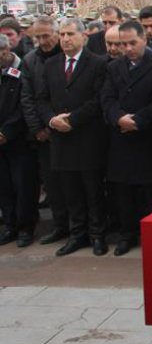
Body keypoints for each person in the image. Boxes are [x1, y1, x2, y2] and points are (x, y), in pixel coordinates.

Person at [36, 18, 109, 256]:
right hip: (61, 140)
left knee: (93, 191)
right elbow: (42, 98)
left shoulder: (98, 63)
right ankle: (77, 234)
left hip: (87, 138)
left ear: (83, 37)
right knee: (71, 191)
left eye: (70, 34)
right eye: (63, 34)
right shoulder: (51, 64)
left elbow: (98, 100)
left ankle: (97, 235)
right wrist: (51, 119)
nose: (65, 39)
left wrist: (73, 119)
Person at [100, 21, 152, 256]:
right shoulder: (113, 67)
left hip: (147, 138)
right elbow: (107, 98)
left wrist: (138, 120)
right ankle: (126, 234)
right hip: (121, 137)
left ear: (144, 39)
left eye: (132, 42)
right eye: (123, 44)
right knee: (123, 192)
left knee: (151, 192)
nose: (128, 48)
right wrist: (118, 117)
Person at [20, 16, 68, 245]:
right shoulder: (30, 61)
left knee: (74, 183)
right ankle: (60, 226)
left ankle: (82, 226)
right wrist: (38, 128)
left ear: (57, 34)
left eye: (46, 36)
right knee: (52, 183)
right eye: (37, 37)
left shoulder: (66, 55)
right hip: (44, 133)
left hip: (70, 130)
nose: (42, 41)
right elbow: (28, 98)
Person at [0, 34, 38, 247]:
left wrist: (6, 132)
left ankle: (25, 227)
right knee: (4, 187)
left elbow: (24, 105)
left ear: (6, 51)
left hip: (19, 141)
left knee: (23, 186)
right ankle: (9, 225)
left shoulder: (21, 70)